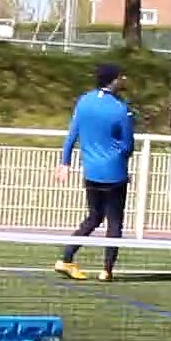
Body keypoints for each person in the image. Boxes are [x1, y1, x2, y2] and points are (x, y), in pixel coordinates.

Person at [53, 63, 135, 282]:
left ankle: (66, 258)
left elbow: (72, 134)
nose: (124, 80)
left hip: (91, 172)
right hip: (115, 173)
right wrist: (122, 163)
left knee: (94, 216)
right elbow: (128, 145)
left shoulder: (84, 101)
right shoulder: (121, 108)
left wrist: (65, 162)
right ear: (113, 80)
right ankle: (106, 270)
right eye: (121, 77)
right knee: (114, 222)